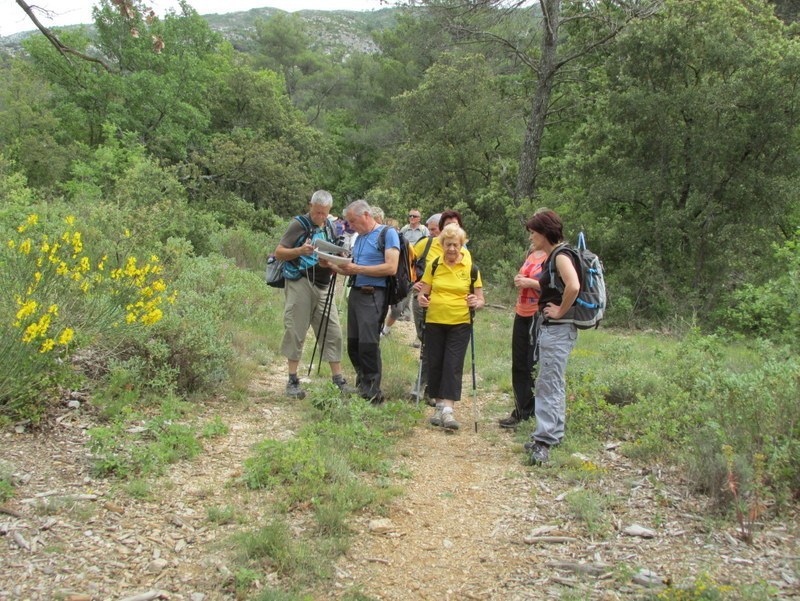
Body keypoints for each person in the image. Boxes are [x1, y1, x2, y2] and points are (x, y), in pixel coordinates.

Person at [274, 190, 350, 399]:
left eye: (325, 213)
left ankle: (338, 380)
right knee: (296, 329)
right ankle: (292, 379)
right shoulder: (299, 224)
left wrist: (339, 256)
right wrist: (300, 251)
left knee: (332, 330)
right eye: (317, 213)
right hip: (300, 281)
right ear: (310, 206)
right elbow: (279, 252)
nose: (321, 217)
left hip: (324, 284)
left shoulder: (331, 227)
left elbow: (335, 252)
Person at [327, 199, 400, 403]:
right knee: (353, 344)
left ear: (366, 215)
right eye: (348, 221)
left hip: (374, 294)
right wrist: (330, 263)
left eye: (353, 221)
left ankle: (374, 392)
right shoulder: (358, 238)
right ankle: (363, 384)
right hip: (357, 292)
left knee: (368, 344)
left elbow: (391, 267)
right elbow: (350, 268)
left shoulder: (387, 233)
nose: (350, 225)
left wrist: (357, 269)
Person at [524, 209, 580, 465]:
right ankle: (552, 433)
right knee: (553, 381)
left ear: (545, 233)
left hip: (558, 329)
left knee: (548, 382)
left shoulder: (560, 256)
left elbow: (574, 285)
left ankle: (544, 440)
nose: (531, 238)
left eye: (534, 233)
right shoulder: (555, 255)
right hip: (554, 329)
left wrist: (559, 310)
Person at [418, 224, 485, 430]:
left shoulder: (471, 268)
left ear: (462, 245)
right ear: (442, 245)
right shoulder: (435, 265)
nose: (452, 249)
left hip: (460, 321)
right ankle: (438, 406)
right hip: (435, 320)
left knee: (453, 364)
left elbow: (481, 299)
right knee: (435, 362)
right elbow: (424, 292)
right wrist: (422, 298)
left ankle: (448, 410)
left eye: (456, 245)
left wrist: (476, 302)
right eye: (448, 245)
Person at [498, 233, 548, 428]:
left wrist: (531, 283)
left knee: (533, 363)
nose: (530, 236)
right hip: (522, 312)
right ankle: (521, 410)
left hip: (539, 314)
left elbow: (556, 287)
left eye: (534, 232)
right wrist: (519, 279)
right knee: (519, 362)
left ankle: (537, 412)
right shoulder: (532, 253)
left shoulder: (553, 256)